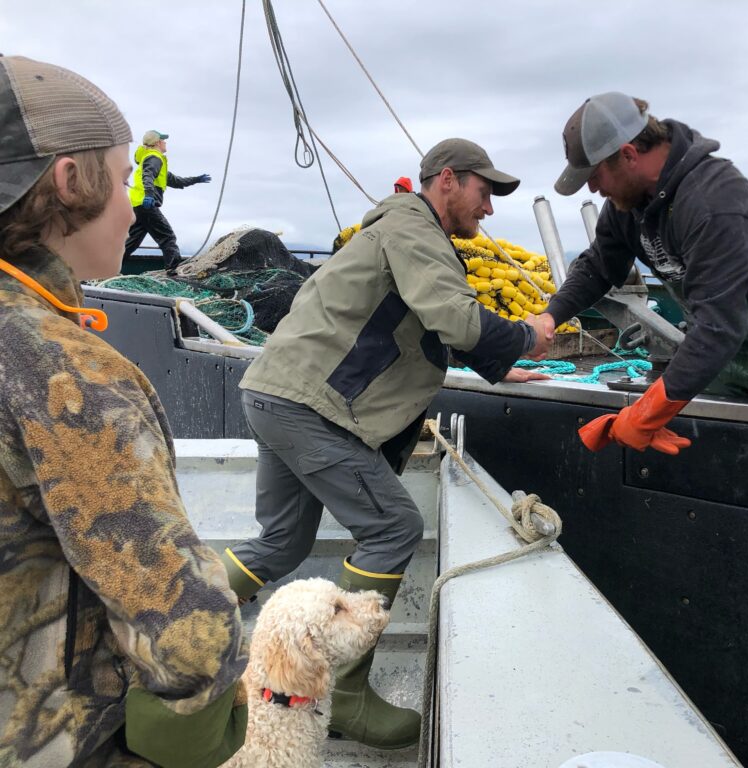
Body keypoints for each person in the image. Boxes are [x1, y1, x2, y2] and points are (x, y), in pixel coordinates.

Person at [219, 138, 548, 749]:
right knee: (394, 528)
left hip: (273, 393)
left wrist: (498, 367)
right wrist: (527, 335)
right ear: (447, 179)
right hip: (309, 407)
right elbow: (453, 315)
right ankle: (344, 695)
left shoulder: (400, 228)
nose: (491, 209)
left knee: (281, 541)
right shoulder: (412, 225)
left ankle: (176, 629)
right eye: (485, 192)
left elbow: (422, 324)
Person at [0, 55, 247, 767]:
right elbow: (190, 639)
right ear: (70, 181)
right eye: (119, 176)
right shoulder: (62, 369)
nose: (132, 205)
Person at [534, 91, 748, 455]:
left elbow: (720, 326)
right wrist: (551, 315)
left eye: (595, 174)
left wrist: (644, 416)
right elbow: (598, 265)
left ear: (628, 154)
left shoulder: (713, 202)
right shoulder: (627, 203)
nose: (592, 188)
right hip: (716, 362)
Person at [123, 129, 210, 272]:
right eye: (163, 140)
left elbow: (175, 181)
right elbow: (148, 175)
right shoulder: (154, 158)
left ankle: (105, 270)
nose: (165, 142)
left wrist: (196, 179)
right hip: (147, 204)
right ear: (157, 142)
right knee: (168, 237)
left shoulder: (151, 159)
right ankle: (172, 271)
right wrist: (149, 195)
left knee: (131, 242)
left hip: (138, 206)